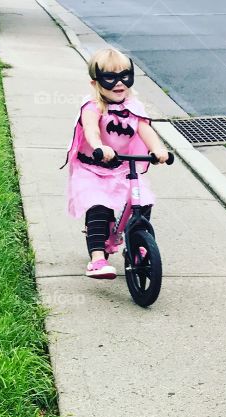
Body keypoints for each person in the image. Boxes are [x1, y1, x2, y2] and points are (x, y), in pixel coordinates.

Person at [64, 48, 169, 279]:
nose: (119, 83)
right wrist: (99, 146)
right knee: (98, 206)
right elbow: (91, 129)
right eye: (110, 78)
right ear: (95, 83)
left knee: (141, 202)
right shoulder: (92, 106)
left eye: (125, 76)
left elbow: (145, 129)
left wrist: (158, 149)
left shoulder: (133, 107)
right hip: (92, 167)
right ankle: (97, 260)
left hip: (122, 167)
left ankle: (138, 245)